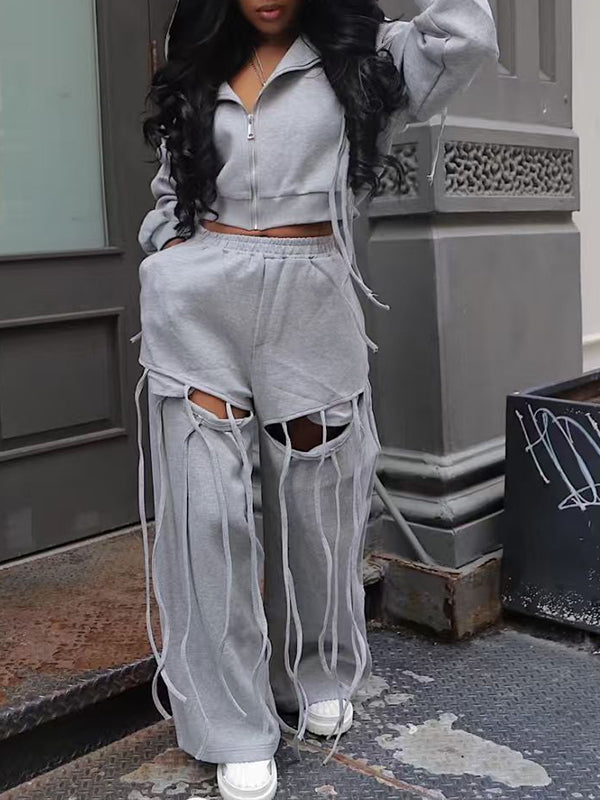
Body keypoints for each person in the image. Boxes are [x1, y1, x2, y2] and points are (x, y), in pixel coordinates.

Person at [133, 1, 499, 798]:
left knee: (320, 505)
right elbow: (170, 187)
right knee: (207, 514)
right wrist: (167, 252)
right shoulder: (198, 55)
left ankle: (317, 669)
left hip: (311, 299)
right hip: (199, 306)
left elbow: (466, 35)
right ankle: (231, 723)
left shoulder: (367, 56)